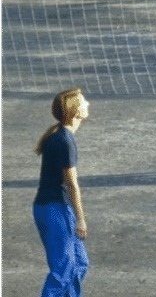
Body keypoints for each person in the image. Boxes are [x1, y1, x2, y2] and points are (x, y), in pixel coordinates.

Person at [33, 88, 90, 297]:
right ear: (74, 111)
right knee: (63, 272)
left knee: (79, 264)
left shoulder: (61, 136)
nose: (88, 104)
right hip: (56, 209)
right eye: (83, 102)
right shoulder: (64, 141)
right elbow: (72, 185)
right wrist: (81, 220)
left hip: (54, 209)